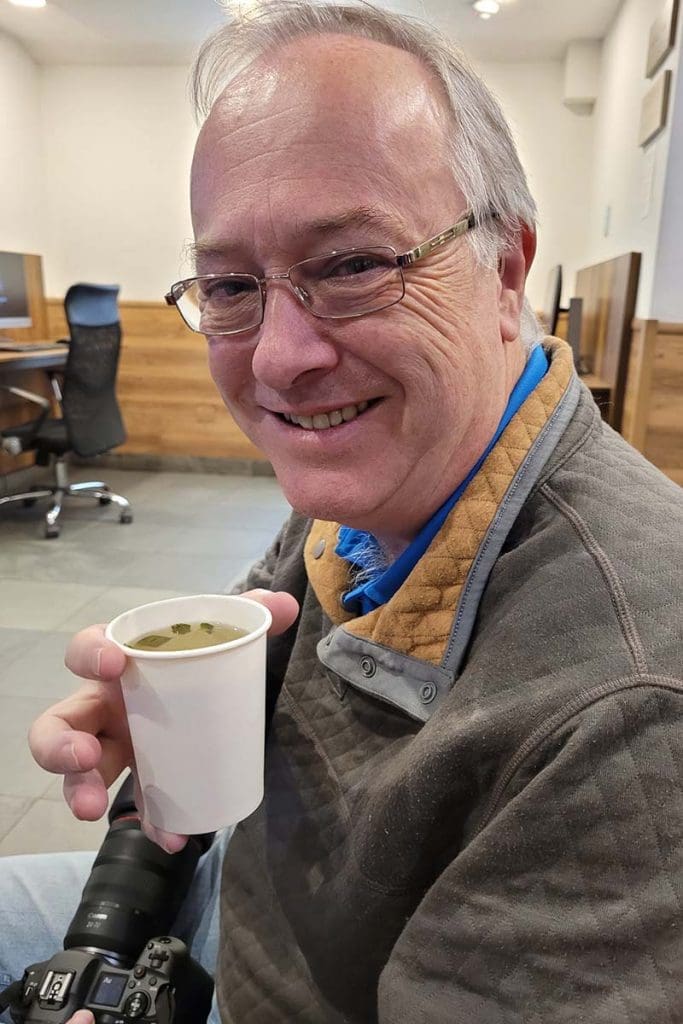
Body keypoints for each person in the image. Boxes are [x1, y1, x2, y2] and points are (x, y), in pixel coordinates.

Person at [2, 2, 682, 1022]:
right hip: (220, 897)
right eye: (231, 283)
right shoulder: (384, 478)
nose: (279, 358)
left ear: (503, 271)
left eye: (355, 264)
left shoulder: (629, 711)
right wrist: (159, 720)